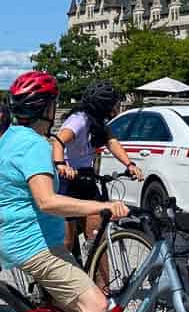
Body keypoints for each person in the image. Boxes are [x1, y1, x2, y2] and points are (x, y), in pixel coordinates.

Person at [0, 70, 129, 312]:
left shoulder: (10, 139)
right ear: (47, 107)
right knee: (95, 304)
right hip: (36, 245)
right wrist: (97, 207)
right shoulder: (35, 144)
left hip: (29, 240)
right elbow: (47, 201)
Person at [52, 81, 143, 260]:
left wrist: (129, 165)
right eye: (114, 103)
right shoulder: (79, 120)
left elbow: (112, 142)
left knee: (97, 237)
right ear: (104, 105)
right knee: (67, 242)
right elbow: (58, 141)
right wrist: (61, 165)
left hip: (86, 178)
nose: (117, 107)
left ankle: (103, 288)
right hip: (67, 180)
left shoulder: (98, 121)